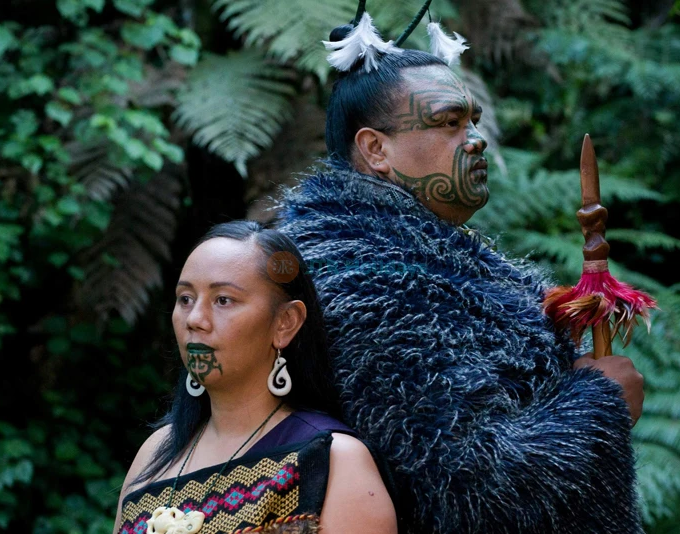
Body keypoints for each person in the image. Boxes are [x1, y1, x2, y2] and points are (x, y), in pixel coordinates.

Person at [275, 11, 646, 534]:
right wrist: (600, 403)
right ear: (375, 150)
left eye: (471, 120)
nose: (476, 139)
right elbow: (467, 484)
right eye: (449, 123)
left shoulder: (421, 253)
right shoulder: (362, 282)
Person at [113, 221, 396, 534]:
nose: (195, 319)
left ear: (285, 323)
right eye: (185, 299)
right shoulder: (155, 453)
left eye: (223, 300)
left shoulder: (334, 460)